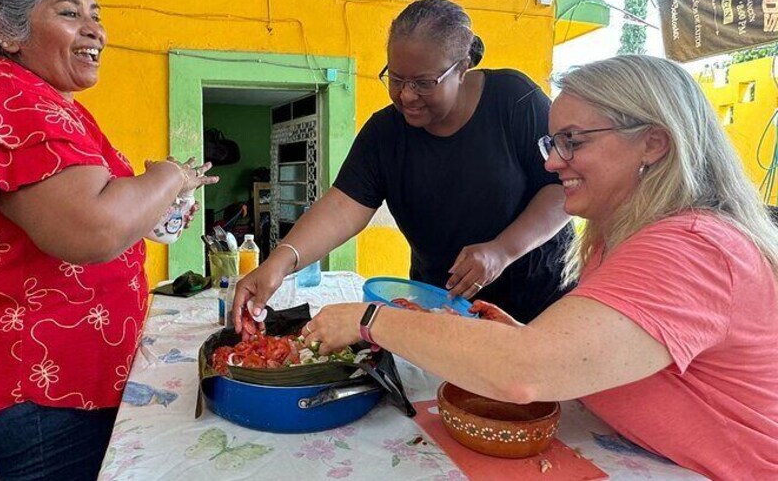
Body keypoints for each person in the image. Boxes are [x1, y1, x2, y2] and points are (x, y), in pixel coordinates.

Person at [304, 55, 778, 479]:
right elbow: (588, 357)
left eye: (572, 141)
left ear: (653, 144)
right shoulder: (622, 236)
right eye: (552, 142)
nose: (552, 162)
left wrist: (369, 320)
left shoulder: (691, 247)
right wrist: (516, 336)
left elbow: (524, 372)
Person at [0, 0, 217, 480]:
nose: (96, 31)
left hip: (66, 378)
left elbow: (95, 210)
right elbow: (92, 230)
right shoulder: (10, 98)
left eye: (96, 14)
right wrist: (170, 176)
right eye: (70, 13)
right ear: (6, 30)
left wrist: (155, 205)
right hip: (43, 387)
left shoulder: (33, 97)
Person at [235, 0, 572, 327]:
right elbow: (342, 206)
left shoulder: (515, 101)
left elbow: (561, 189)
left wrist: (503, 250)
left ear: (462, 67)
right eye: (395, 79)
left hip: (538, 308)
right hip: (445, 310)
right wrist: (278, 262)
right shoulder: (385, 133)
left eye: (423, 83)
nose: (407, 95)